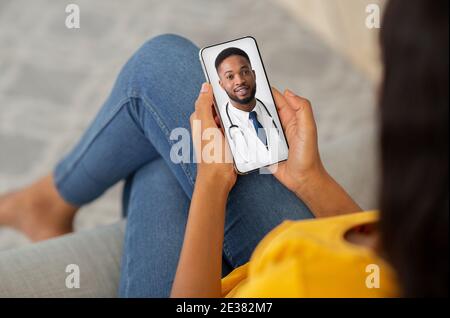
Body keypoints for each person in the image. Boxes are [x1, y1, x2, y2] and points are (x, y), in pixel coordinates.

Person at [0, 0, 447, 297]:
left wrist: (212, 186)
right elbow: (388, 257)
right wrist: (310, 179)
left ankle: (45, 201)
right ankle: (47, 202)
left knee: (161, 93)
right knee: (176, 145)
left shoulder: (300, 280)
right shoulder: (426, 239)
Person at [214, 47, 287, 168]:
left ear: (253, 74)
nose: (240, 81)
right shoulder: (218, 126)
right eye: (230, 77)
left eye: (245, 72)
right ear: (222, 85)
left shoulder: (279, 111)